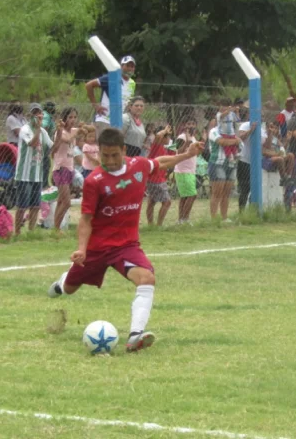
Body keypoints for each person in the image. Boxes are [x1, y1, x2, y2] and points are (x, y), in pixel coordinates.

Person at [46, 128, 204, 353]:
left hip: (126, 246)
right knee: (70, 288)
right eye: (105, 156)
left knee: (147, 279)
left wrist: (186, 155)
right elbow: (86, 219)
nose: (109, 161)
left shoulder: (137, 166)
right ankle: (62, 281)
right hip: (97, 248)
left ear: (123, 150)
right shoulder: (94, 181)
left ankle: (135, 336)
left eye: (114, 155)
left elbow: (159, 162)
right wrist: (81, 249)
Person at [14, 103, 53, 236]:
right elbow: (32, 143)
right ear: (30, 115)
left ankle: (31, 232)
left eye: (39, 113)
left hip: (37, 174)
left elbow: (53, 147)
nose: (37, 116)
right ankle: (17, 232)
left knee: (35, 206)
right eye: (35, 113)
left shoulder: (43, 132)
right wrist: (37, 129)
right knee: (22, 206)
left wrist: (59, 133)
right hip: (24, 175)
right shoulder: (25, 129)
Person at [86, 55, 136, 137]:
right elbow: (89, 85)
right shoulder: (112, 78)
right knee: (104, 147)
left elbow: (128, 102)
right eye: (127, 66)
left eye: (132, 66)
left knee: (115, 148)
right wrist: (96, 105)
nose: (130, 68)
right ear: (121, 66)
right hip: (104, 120)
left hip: (118, 122)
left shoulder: (132, 84)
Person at [50, 107, 79, 231]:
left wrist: (84, 128)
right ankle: (57, 228)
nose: (72, 120)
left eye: (74, 117)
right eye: (70, 117)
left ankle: (55, 229)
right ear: (65, 119)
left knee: (61, 201)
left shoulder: (73, 131)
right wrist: (78, 131)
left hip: (70, 168)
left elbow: (89, 129)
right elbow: (66, 140)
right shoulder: (60, 132)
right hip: (61, 169)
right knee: (67, 202)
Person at [208, 120, 241, 222]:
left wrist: (236, 141)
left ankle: (224, 217)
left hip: (231, 164)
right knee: (217, 192)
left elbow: (240, 144)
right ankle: (214, 219)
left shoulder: (232, 133)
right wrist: (235, 141)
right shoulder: (214, 131)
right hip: (218, 163)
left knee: (226, 193)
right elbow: (222, 142)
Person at [145, 125, 174, 226]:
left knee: (151, 202)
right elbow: (157, 136)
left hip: (157, 179)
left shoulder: (163, 148)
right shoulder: (156, 146)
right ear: (163, 137)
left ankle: (151, 224)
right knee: (167, 202)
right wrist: (164, 131)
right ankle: (159, 225)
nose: (169, 139)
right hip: (156, 180)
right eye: (168, 137)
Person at [174, 116, 199, 224]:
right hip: (182, 170)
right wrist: (187, 142)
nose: (191, 126)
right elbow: (178, 152)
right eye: (189, 124)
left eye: (193, 124)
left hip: (191, 170)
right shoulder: (181, 137)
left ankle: (182, 219)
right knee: (192, 195)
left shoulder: (194, 138)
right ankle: (184, 219)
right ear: (185, 126)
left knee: (185, 196)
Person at [236, 110, 259, 211]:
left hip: (256, 163)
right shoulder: (245, 125)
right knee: (244, 189)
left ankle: (252, 212)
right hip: (244, 162)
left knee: (254, 189)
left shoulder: (262, 128)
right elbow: (240, 138)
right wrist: (251, 130)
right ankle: (241, 213)